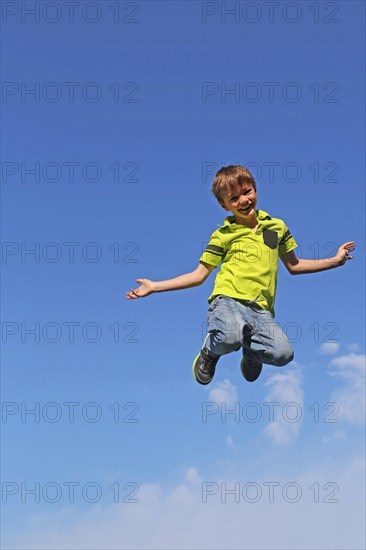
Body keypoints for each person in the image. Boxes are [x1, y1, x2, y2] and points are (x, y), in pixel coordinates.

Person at [126, 165, 356, 385]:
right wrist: (155, 286)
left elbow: (294, 265)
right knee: (229, 337)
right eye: (234, 198)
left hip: (261, 310)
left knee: (284, 355)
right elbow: (198, 275)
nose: (244, 201)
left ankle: (252, 354)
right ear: (224, 205)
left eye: (247, 192)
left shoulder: (276, 227)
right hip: (228, 301)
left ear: (255, 189)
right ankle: (209, 352)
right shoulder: (223, 235)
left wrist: (335, 261)